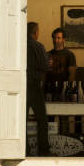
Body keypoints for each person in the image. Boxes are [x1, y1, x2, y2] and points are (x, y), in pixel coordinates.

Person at [26, 21, 50, 156]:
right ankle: (43, 150)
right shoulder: (38, 46)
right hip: (35, 85)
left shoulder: (19, 46)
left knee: (21, 120)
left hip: (21, 86)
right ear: (35, 33)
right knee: (42, 120)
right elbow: (45, 66)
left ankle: (25, 150)